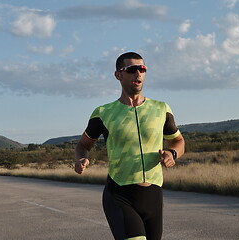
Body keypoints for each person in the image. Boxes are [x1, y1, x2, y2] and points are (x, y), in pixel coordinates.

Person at [74, 52, 185, 240]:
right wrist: (80, 159)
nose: (138, 74)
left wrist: (172, 154)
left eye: (142, 69)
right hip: (120, 194)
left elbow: (178, 141)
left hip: (153, 195)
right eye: (132, 69)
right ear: (118, 75)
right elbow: (83, 145)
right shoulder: (103, 113)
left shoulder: (161, 109)